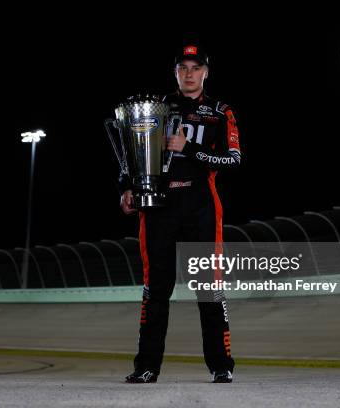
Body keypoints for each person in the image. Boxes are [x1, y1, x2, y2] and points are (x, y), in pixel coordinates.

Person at [119, 44, 241, 384]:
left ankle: (221, 365)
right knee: (155, 288)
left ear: (205, 72)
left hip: (201, 205)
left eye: (195, 67)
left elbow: (233, 159)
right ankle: (146, 366)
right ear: (176, 72)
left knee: (209, 287)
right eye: (183, 68)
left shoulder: (220, 112)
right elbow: (133, 152)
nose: (189, 73)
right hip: (159, 206)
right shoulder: (155, 108)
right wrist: (126, 188)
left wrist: (190, 149)